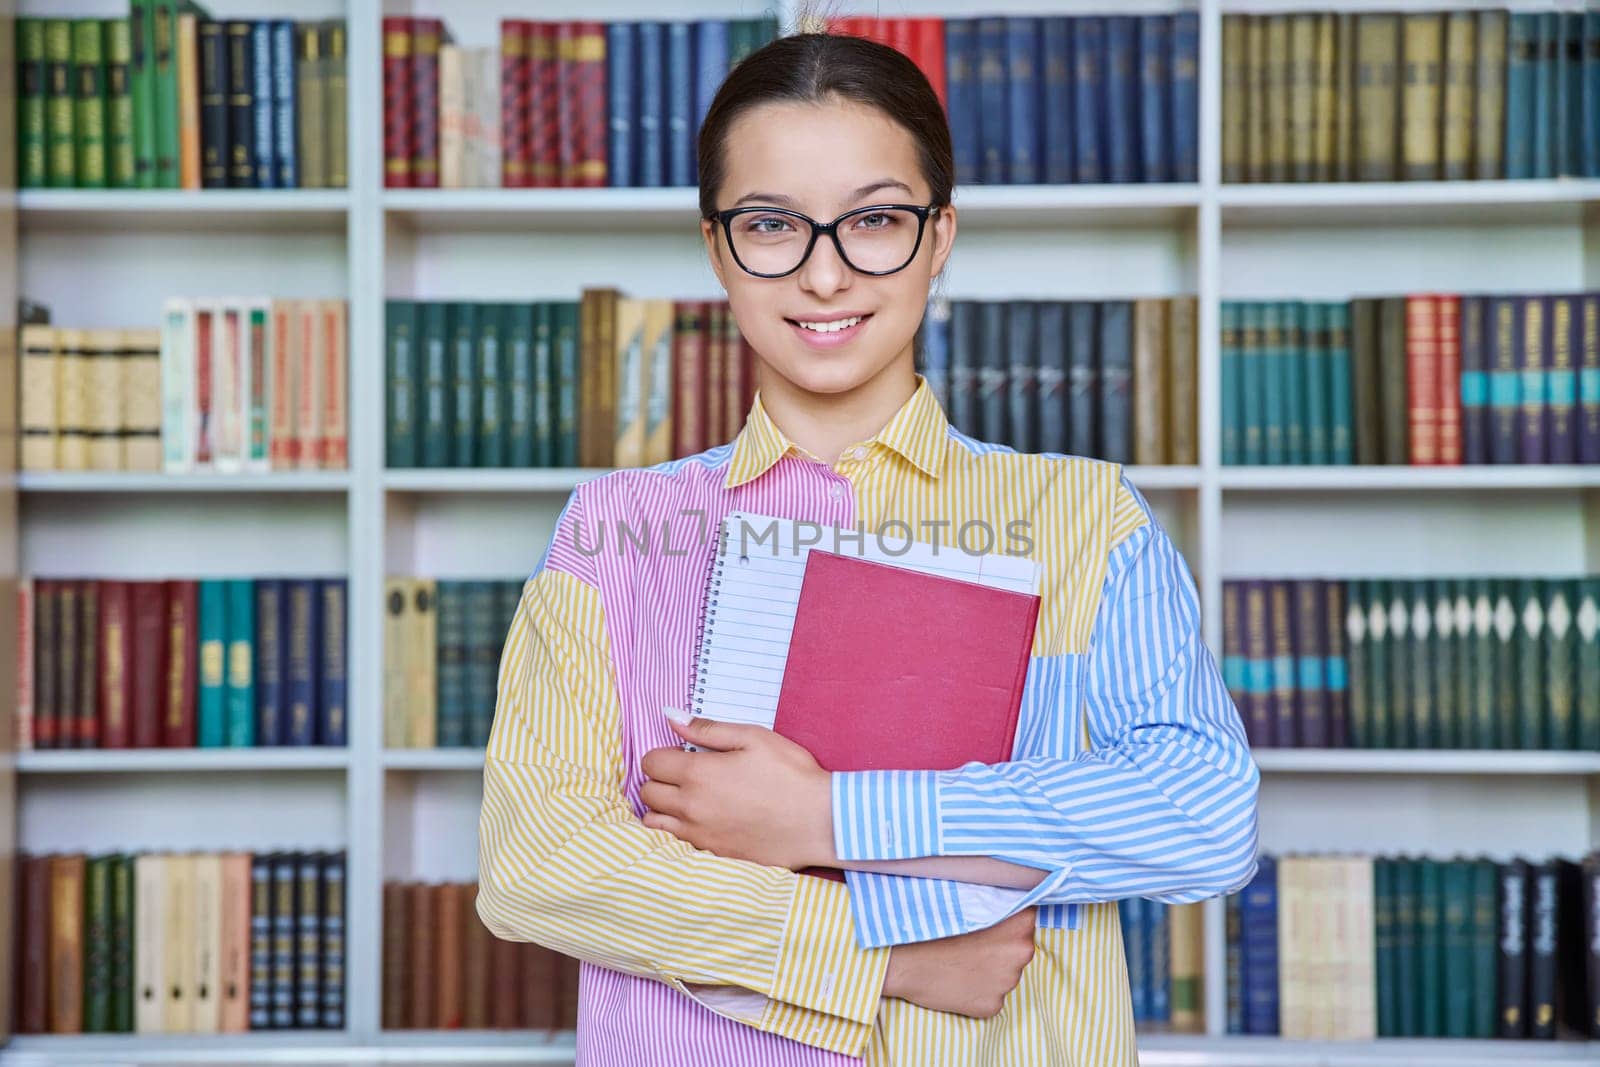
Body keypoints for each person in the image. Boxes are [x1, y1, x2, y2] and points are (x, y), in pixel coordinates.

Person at [475, 30, 1258, 1067]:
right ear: (715, 245)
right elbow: (534, 863)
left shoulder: (1085, 516)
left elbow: (1202, 814)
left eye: (876, 219)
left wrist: (825, 816)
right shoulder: (616, 529)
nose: (825, 272)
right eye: (771, 224)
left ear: (939, 236)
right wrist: (875, 954)